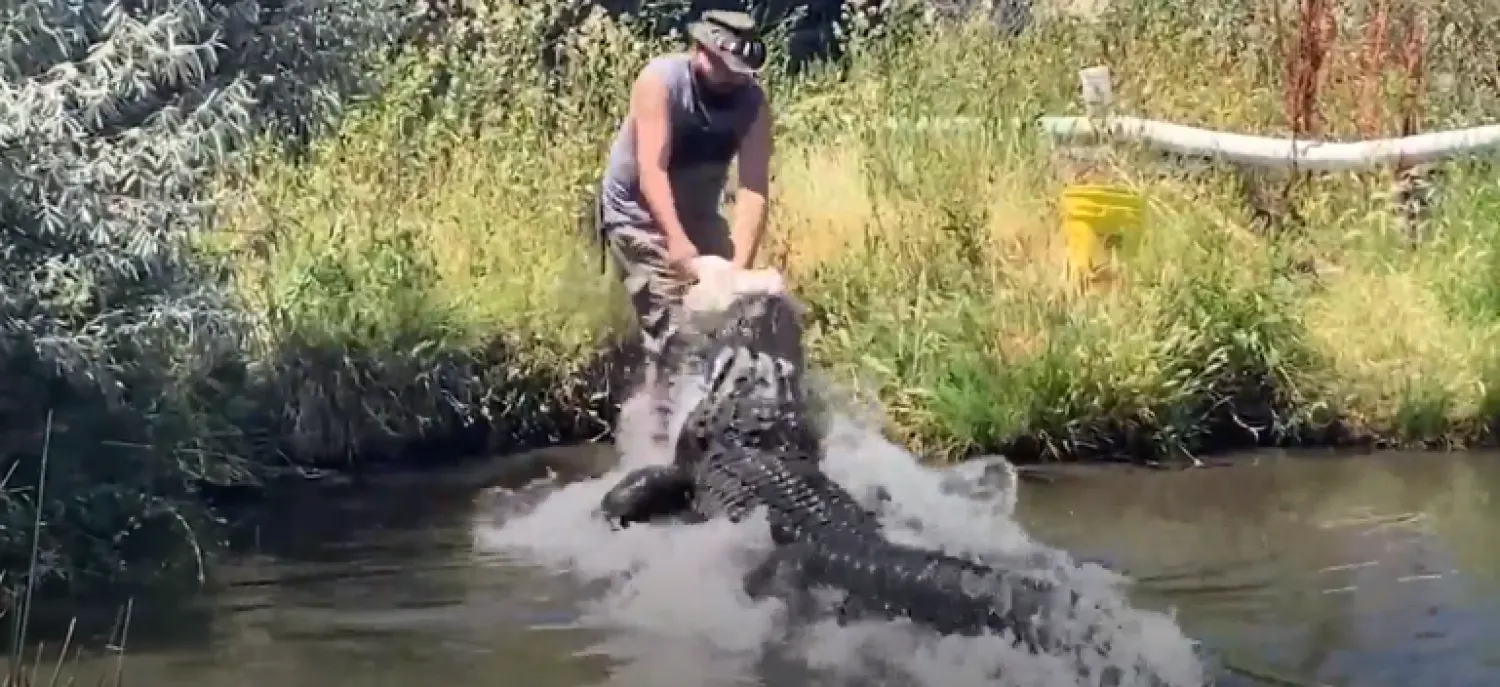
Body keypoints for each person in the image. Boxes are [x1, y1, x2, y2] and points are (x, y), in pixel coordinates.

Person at [589, 9, 775, 445]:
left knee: (735, 318)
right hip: (639, 214)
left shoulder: (752, 102)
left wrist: (739, 274)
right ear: (700, 50)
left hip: (700, 213)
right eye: (725, 68)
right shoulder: (661, 82)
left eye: (741, 72)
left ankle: (726, 419)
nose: (733, 79)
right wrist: (676, 243)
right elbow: (652, 170)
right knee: (674, 327)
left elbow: (753, 188)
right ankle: (662, 441)